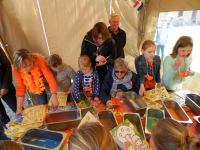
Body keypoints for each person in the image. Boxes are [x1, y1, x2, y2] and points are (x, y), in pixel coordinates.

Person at [12, 49, 59, 117]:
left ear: (32, 59)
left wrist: (54, 96)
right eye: (24, 66)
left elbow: (50, 79)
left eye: (30, 64)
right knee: (42, 103)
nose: (28, 68)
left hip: (46, 77)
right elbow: (20, 88)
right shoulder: (15, 68)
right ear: (18, 65)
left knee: (56, 97)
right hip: (36, 83)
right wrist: (19, 108)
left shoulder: (38, 58)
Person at [0, 47, 16, 129]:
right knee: (1, 114)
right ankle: (10, 132)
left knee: (18, 109)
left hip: (5, 85)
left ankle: (29, 131)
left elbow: (6, 66)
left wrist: (5, 87)